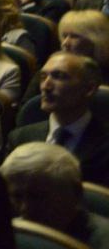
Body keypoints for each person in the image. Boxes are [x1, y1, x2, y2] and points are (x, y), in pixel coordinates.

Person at [7, 52, 109, 184]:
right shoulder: (19, 138)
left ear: (89, 89)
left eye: (59, 77)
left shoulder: (104, 144)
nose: (45, 86)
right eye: (43, 77)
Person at [3, 142, 109, 249]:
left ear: (75, 193)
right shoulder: (7, 237)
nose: (25, 208)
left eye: (37, 197)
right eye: (17, 196)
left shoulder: (103, 248)